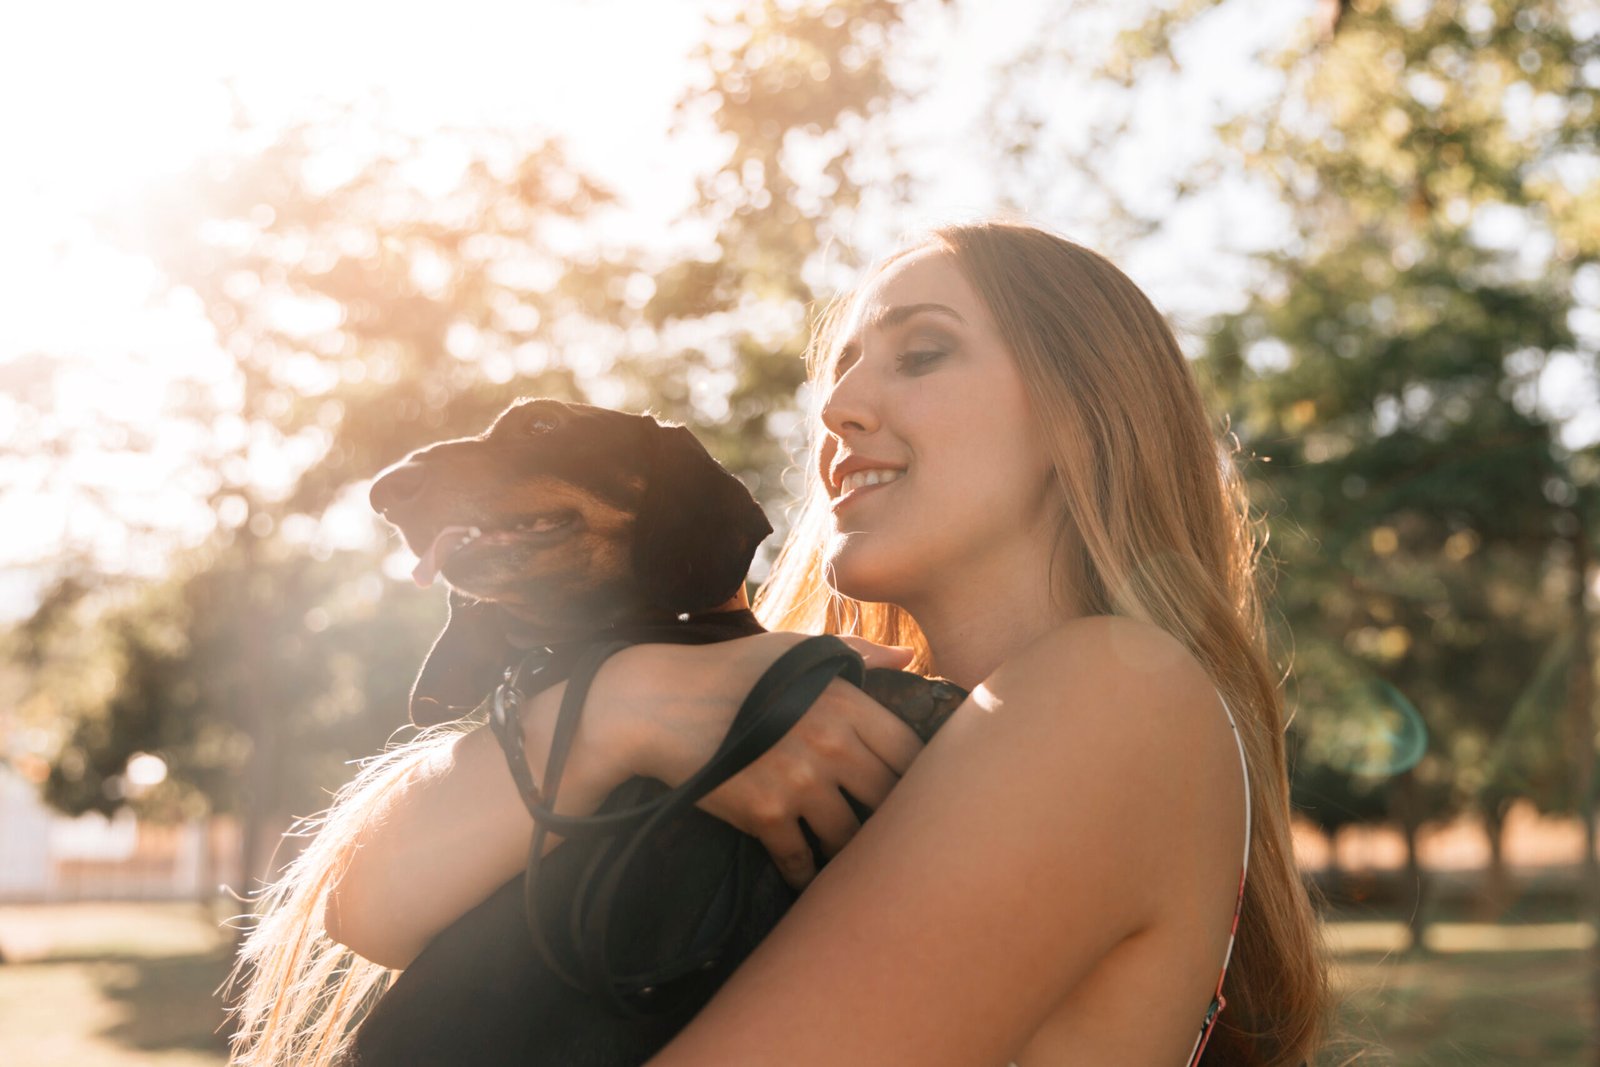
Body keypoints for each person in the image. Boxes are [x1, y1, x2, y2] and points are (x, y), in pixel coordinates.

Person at [229, 220, 1330, 1066]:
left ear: (1083, 417)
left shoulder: (1116, 693)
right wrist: (618, 709)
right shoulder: (818, 722)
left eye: (922, 353)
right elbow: (365, 905)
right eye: (840, 369)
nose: (840, 406)